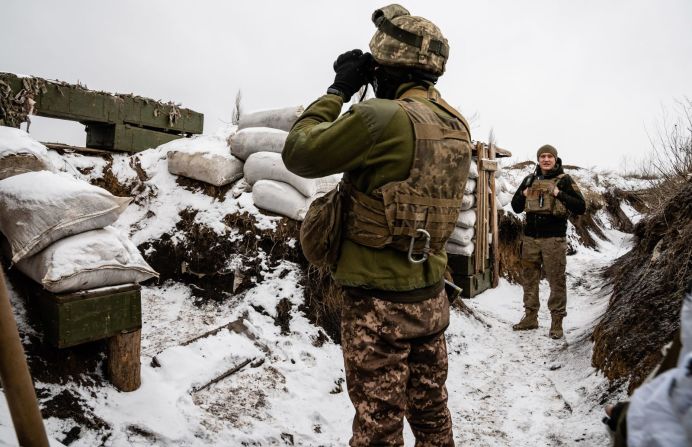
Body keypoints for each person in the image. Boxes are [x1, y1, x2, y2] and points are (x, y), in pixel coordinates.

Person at [282, 4, 471, 445]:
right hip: (430, 296)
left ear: (387, 65)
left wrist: (338, 89)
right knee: (431, 414)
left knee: (377, 427)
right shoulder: (455, 123)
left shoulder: (382, 118)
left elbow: (300, 152)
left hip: (378, 305)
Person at [510, 144, 586, 338]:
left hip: (553, 239)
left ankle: (556, 322)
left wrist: (559, 194)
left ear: (555, 159)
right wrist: (522, 194)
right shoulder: (529, 179)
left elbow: (581, 206)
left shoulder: (564, 180)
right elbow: (516, 207)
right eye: (542, 156)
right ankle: (530, 317)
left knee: (556, 280)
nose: (545, 159)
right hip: (530, 238)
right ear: (538, 159)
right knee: (529, 278)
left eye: (549, 156)